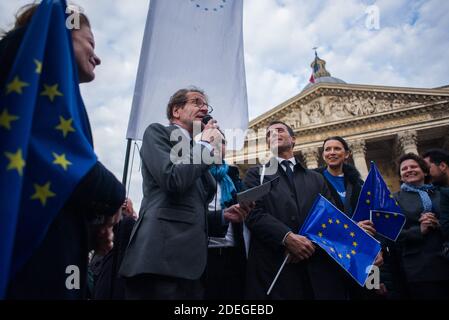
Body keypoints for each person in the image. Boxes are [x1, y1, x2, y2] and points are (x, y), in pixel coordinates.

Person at [3, 4, 126, 299]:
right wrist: (115, 197)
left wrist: (93, 225)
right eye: (90, 42)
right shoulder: (27, 53)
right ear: (60, 31)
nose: (97, 56)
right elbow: (62, 160)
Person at [119, 88, 224, 300]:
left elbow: (196, 204)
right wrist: (204, 145)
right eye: (197, 102)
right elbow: (173, 179)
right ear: (176, 110)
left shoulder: (196, 149)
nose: (204, 108)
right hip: (161, 259)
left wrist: (224, 216)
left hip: (192, 267)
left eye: (206, 105)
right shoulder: (157, 133)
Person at [244, 121, 348, 300]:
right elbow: (252, 213)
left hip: (315, 267)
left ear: (293, 139)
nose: (274, 135)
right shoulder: (256, 175)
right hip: (276, 266)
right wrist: (287, 238)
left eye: (279, 130)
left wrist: (308, 245)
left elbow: (329, 216)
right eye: (269, 134)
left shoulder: (316, 178)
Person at [315, 136, 385, 299]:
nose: (332, 152)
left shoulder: (359, 186)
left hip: (364, 257)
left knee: (369, 295)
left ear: (347, 154)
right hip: (331, 257)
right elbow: (317, 221)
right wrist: (353, 228)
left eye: (337, 148)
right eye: (327, 149)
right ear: (323, 154)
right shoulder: (314, 183)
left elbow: (375, 223)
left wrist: (379, 253)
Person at [394, 153, 449, 299]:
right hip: (420, 270)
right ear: (400, 176)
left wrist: (439, 223)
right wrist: (420, 230)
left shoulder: (441, 194)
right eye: (404, 169)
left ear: (424, 171)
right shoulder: (395, 200)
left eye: (413, 166)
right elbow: (392, 235)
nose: (409, 170)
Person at [205, 137, 252, 300]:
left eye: (222, 142)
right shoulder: (194, 174)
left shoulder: (232, 175)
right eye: (212, 140)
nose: (218, 146)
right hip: (203, 254)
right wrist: (221, 217)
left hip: (233, 251)